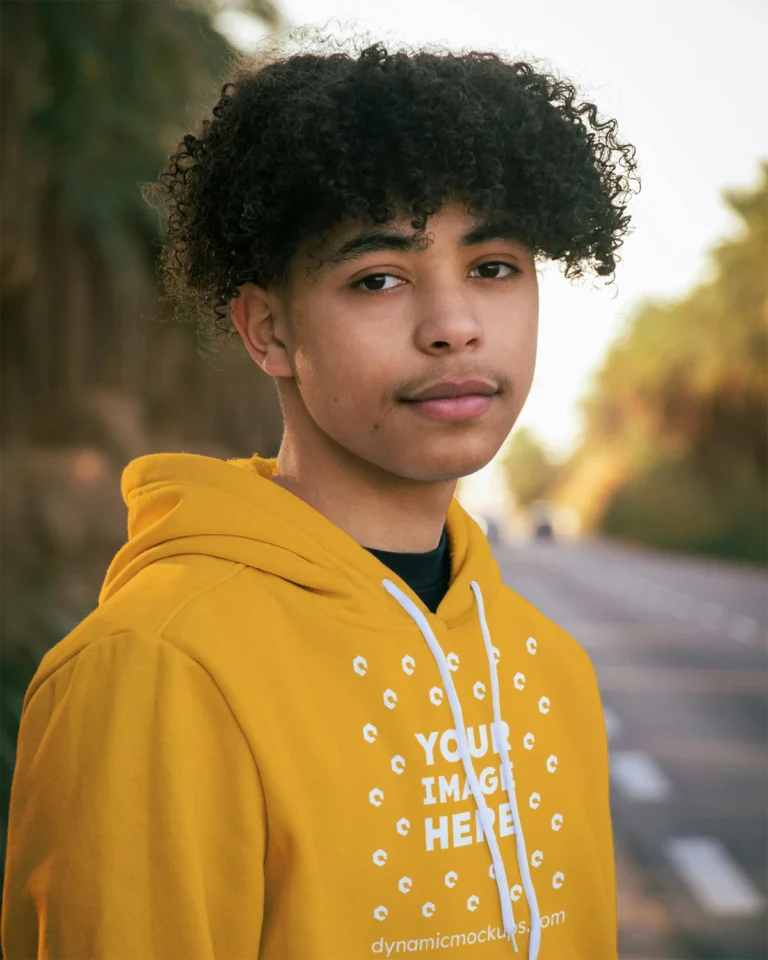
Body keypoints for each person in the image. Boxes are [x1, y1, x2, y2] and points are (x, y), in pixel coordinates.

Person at [1, 34, 638, 959]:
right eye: (378, 278)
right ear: (269, 332)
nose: (454, 327)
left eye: (493, 267)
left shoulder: (551, 671)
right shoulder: (156, 667)